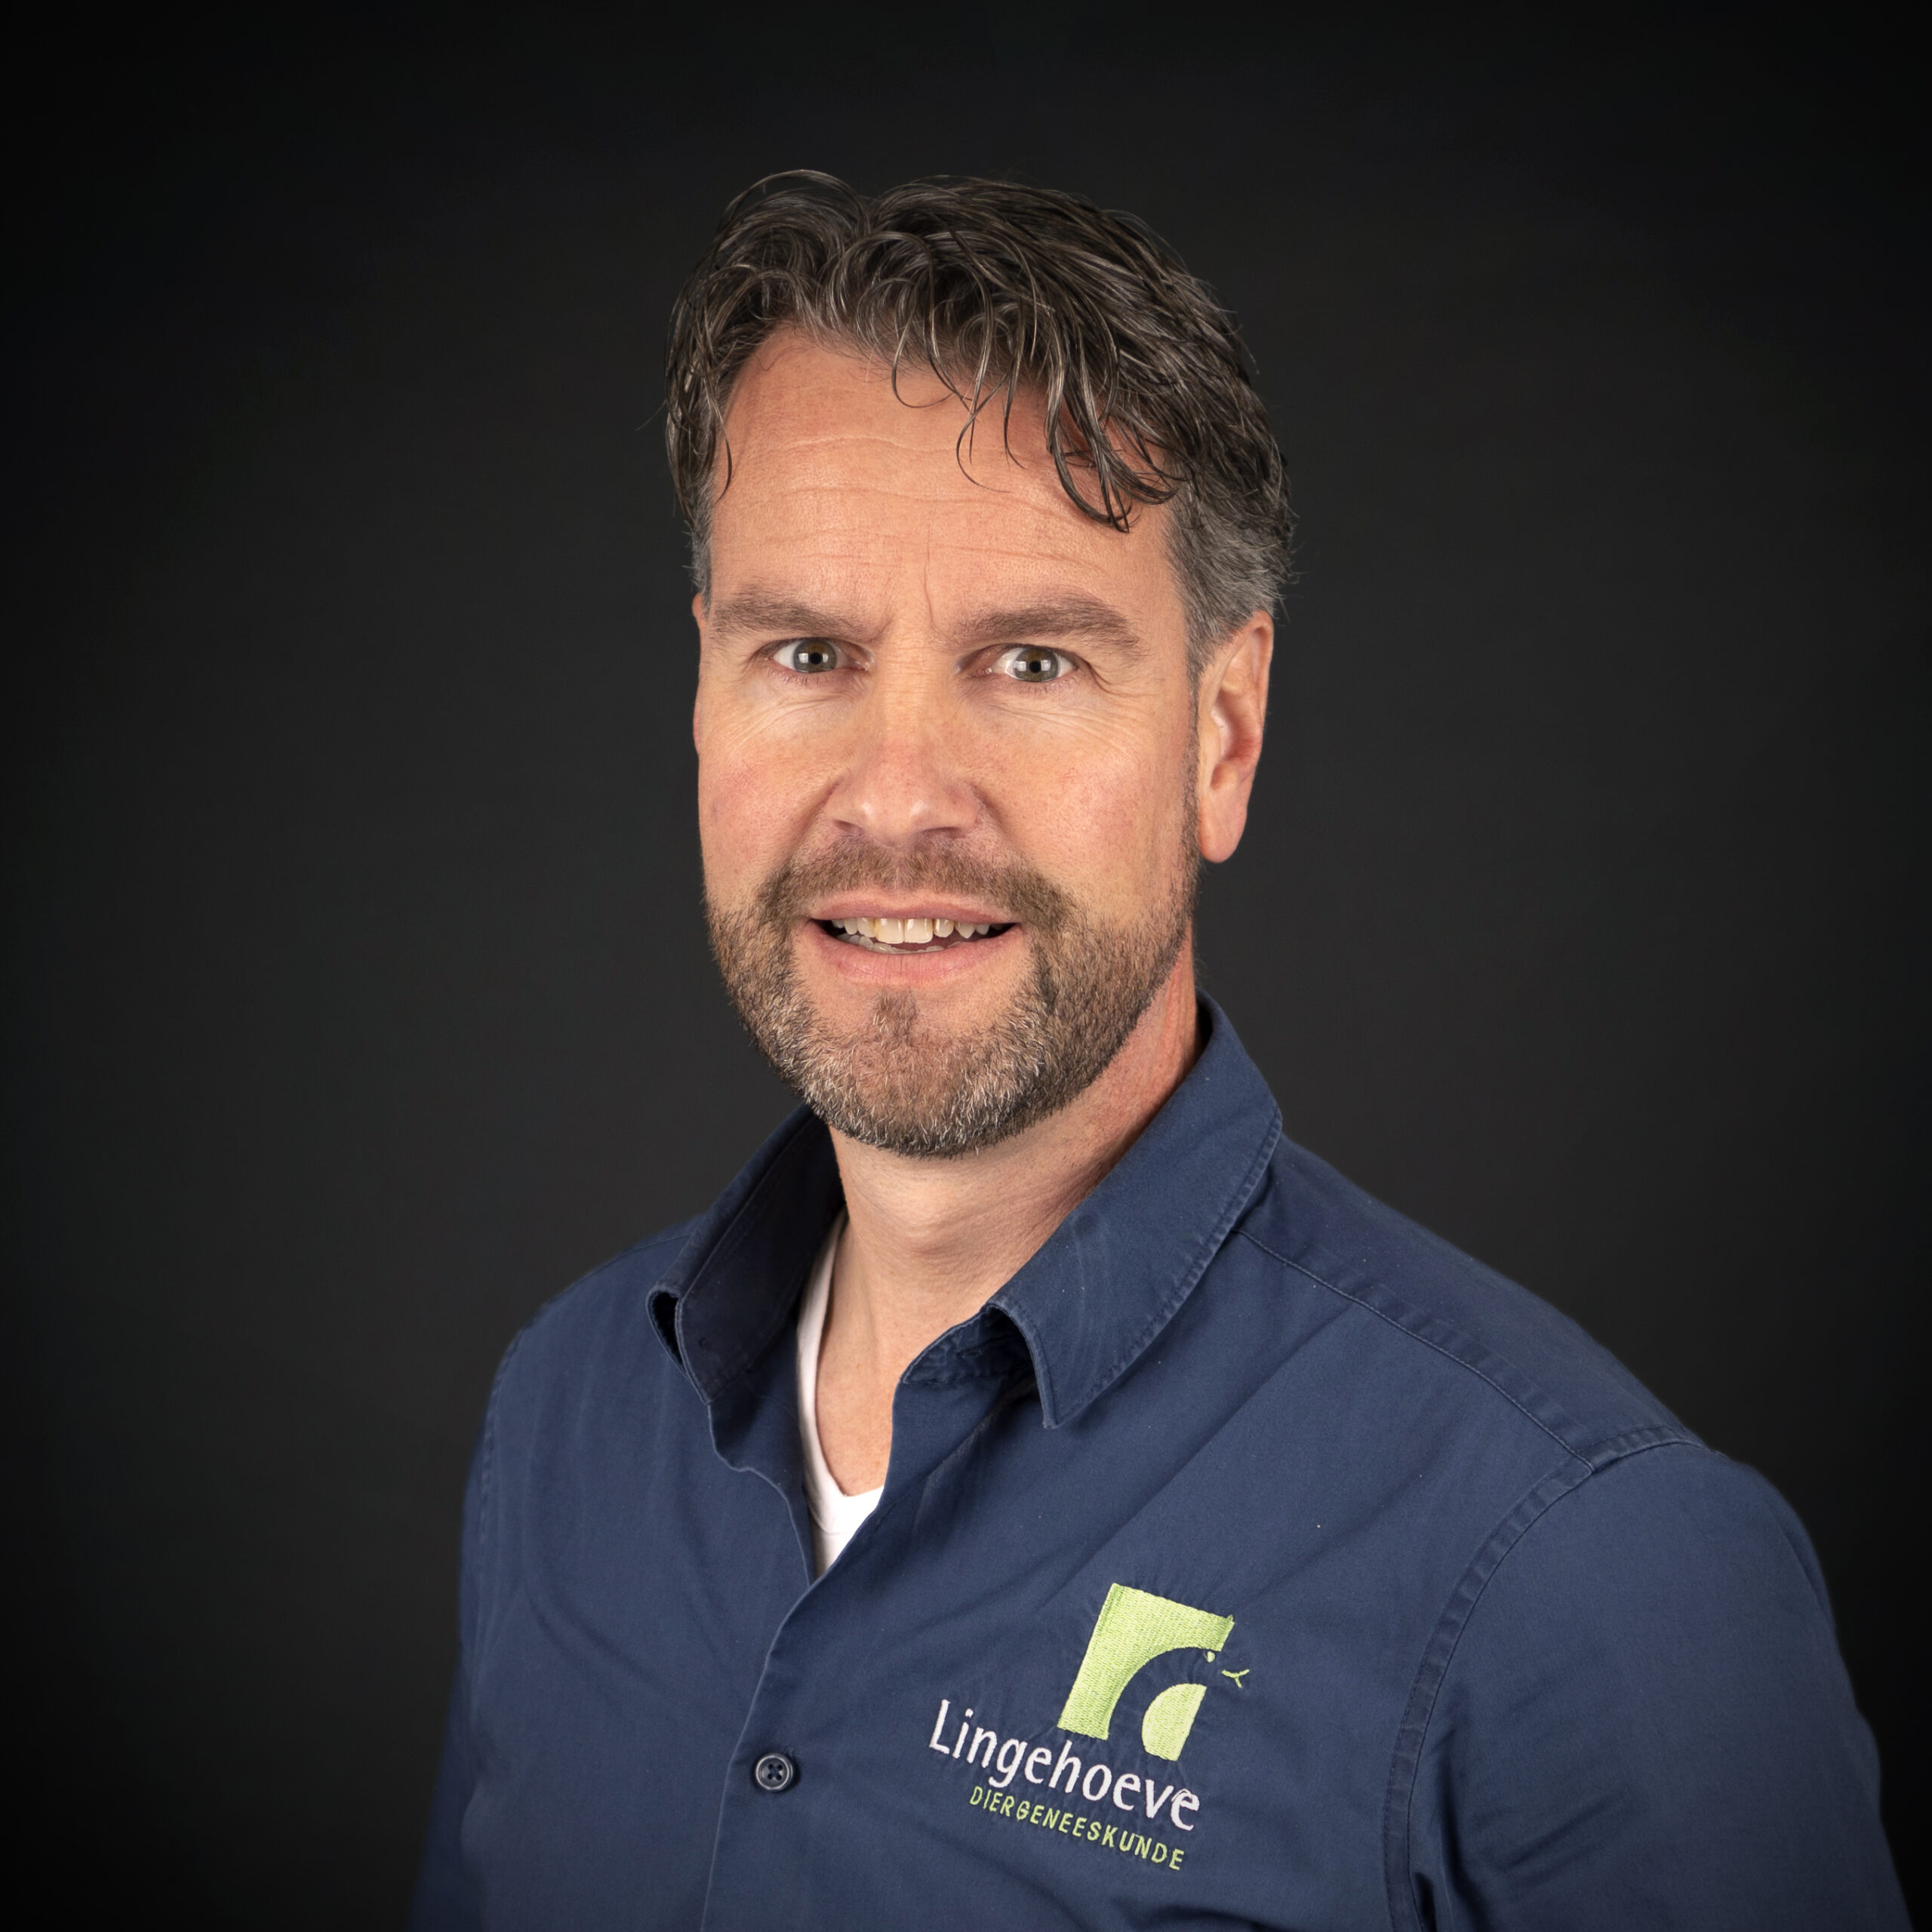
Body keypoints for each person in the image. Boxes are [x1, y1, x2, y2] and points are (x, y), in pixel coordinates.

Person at [408, 173, 1905, 1932]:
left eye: (1031, 662)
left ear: (1222, 734)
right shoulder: (571, 1409)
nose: (897, 795)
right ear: (702, 693)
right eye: (806, 652)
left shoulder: (1586, 1569)